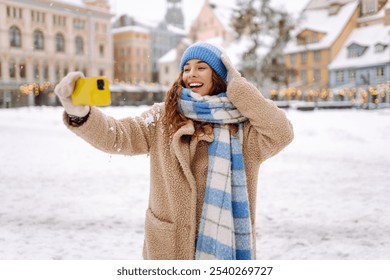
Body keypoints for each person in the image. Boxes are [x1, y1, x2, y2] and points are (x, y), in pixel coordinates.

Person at [54, 41, 294, 260]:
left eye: (202, 67)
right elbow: (117, 135)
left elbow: (281, 132)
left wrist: (239, 87)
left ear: (220, 76)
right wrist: (80, 114)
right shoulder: (164, 117)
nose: (191, 73)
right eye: (186, 68)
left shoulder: (243, 129)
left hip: (226, 251)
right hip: (169, 249)